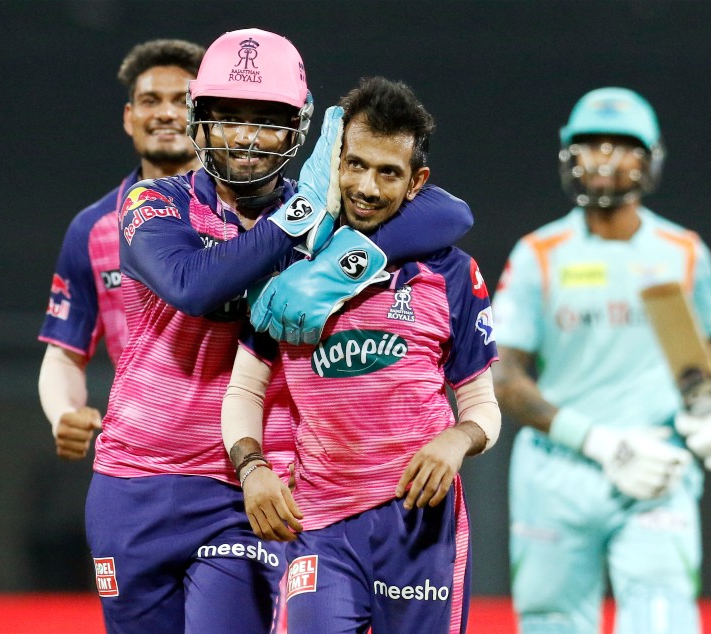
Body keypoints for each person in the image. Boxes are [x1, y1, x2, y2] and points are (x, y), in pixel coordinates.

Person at [85, 28, 475, 634]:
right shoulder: (152, 204)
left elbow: (450, 212)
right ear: (199, 120)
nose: (246, 136)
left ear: (298, 128)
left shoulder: (328, 220)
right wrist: (300, 220)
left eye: (266, 121)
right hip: (134, 478)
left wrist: (336, 264)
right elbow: (192, 286)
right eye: (228, 117)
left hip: (251, 487)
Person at [222, 76, 501, 634]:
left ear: (417, 182)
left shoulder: (450, 272)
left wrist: (454, 441)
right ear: (336, 162)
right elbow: (244, 390)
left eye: (388, 172)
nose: (367, 187)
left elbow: (483, 407)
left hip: (420, 523)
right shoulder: (288, 265)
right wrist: (252, 469)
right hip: (319, 523)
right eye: (355, 165)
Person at [491, 87, 711, 634]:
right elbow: (500, 374)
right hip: (559, 471)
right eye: (592, 145)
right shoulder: (538, 254)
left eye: (622, 146)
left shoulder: (683, 251)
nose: (605, 159)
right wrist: (599, 443)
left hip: (658, 463)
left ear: (650, 159)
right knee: (551, 624)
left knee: (661, 621)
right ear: (570, 155)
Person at [38, 38, 205, 460]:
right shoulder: (93, 229)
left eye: (182, 101)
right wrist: (63, 413)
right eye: (150, 100)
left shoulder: (246, 218)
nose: (165, 113)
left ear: (206, 117)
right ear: (130, 117)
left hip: (242, 458)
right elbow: (64, 354)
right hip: (139, 457)